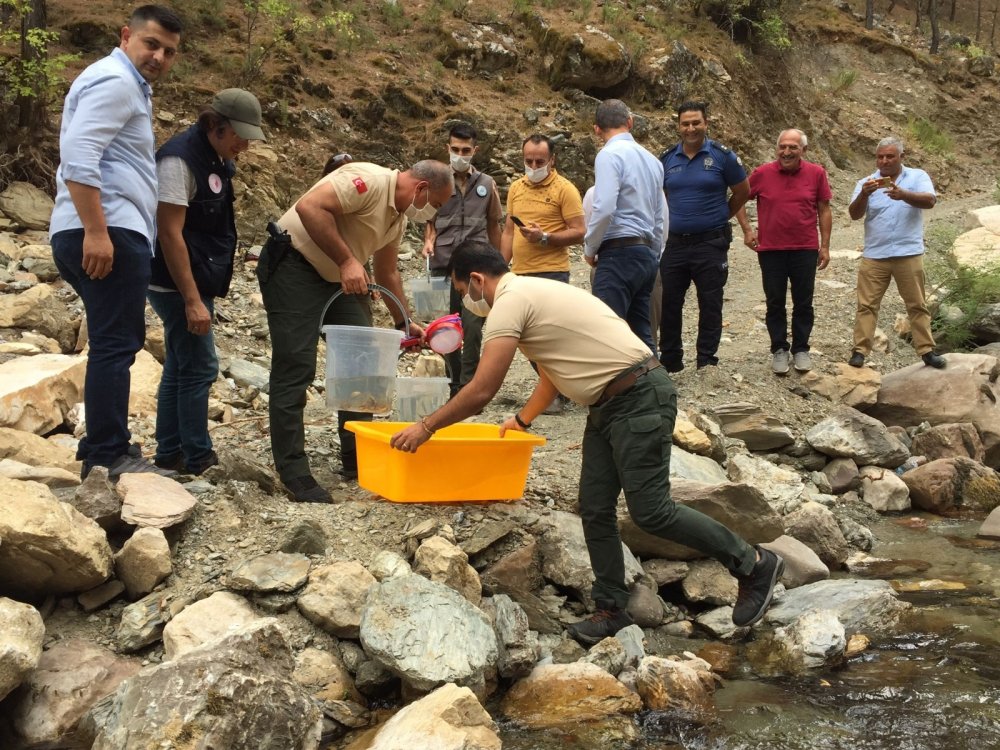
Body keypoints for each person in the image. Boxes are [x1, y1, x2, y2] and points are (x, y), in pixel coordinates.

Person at [389, 241, 785, 644]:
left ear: (476, 279)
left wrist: (426, 426)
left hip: (638, 396)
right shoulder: (533, 296)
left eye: (462, 291)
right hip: (608, 404)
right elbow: (552, 373)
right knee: (595, 508)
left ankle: (752, 562)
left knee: (652, 511)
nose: (465, 300)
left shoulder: (510, 301)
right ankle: (611, 607)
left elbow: (481, 390)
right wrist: (523, 418)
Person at [257, 160, 451, 502]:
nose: (434, 212)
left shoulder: (398, 215)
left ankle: (356, 457)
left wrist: (404, 320)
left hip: (337, 280)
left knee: (363, 365)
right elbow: (309, 206)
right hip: (293, 267)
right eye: (438, 203)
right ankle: (294, 471)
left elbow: (388, 272)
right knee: (295, 366)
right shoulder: (370, 182)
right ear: (421, 189)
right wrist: (348, 261)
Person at [49, 5, 182, 480]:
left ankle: (105, 447)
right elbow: (80, 154)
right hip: (108, 228)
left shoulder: (118, 81)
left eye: (169, 51)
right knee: (115, 344)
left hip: (98, 226)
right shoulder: (117, 81)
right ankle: (108, 453)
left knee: (112, 340)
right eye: (151, 44)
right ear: (126, 36)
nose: (159, 56)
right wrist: (97, 230)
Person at [147, 89, 266, 475]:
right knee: (199, 366)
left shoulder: (215, 157)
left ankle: (169, 452)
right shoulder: (178, 161)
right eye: (239, 135)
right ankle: (196, 456)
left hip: (194, 277)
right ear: (215, 126)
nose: (245, 144)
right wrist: (192, 299)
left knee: (181, 365)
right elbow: (169, 233)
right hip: (175, 282)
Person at [659, 101, 749, 372]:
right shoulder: (666, 159)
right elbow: (660, 198)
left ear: (706, 123)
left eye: (696, 122)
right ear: (678, 126)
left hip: (710, 242)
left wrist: (722, 216)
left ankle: (706, 360)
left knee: (710, 302)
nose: (691, 128)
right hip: (674, 244)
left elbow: (743, 192)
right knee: (669, 303)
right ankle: (671, 360)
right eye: (685, 123)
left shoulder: (723, 156)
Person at [735, 128, 832, 375]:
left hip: (805, 249)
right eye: (783, 147)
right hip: (771, 250)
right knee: (775, 301)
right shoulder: (762, 173)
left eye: (793, 147)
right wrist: (747, 230)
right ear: (777, 148)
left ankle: (801, 349)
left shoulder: (816, 173)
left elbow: (824, 209)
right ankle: (779, 348)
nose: (787, 152)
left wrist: (826, 246)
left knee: (804, 302)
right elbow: (738, 199)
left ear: (804, 150)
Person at [501, 134, 585, 414]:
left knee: (549, 336)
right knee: (526, 337)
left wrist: (545, 237)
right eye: (528, 161)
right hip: (521, 274)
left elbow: (580, 231)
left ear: (552, 160)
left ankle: (559, 392)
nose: (533, 165)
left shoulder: (565, 189)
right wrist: (502, 268)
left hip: (552, 273)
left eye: (539, 161)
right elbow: (509, 231)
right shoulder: (515, 188)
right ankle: (554, 388)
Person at [847, 136, 945, 369]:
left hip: (908, 252)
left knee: (916, 304)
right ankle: (860, 351)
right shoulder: (867, 182)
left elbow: (930, 201)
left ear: (902, 157)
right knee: (867, 305)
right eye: (880, 157)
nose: (884, 161)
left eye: (890, 156)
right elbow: (853, 215)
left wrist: (904, 195)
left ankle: (926, 351)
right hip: (875, 254)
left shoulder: (917, 176)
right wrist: (864, 194)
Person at [422, 123, 503, 396]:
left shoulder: (487, 184)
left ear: (474, 150)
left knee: (472, 327)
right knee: (445, 328)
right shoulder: (436, 182)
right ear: (448, 148)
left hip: (475, 267)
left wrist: (500, 263)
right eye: (455, 149)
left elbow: (494, 225)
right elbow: (428, 222)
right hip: (442, 265)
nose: (460, 154)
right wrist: (428, 240)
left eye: (465, 150)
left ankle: (470, 386)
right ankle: (452, 383)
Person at [584, 100, 664, 353]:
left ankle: (613, 393)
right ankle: (655, 388)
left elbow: (604, 206)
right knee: (643, 333)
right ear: (630, 122)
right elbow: (659, 216)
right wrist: (655, 253)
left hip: (617, 252)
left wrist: (590, 248)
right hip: (646, 253)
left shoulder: (608, 155)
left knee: (608, 333)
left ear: (597, 130)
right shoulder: (654, 161)